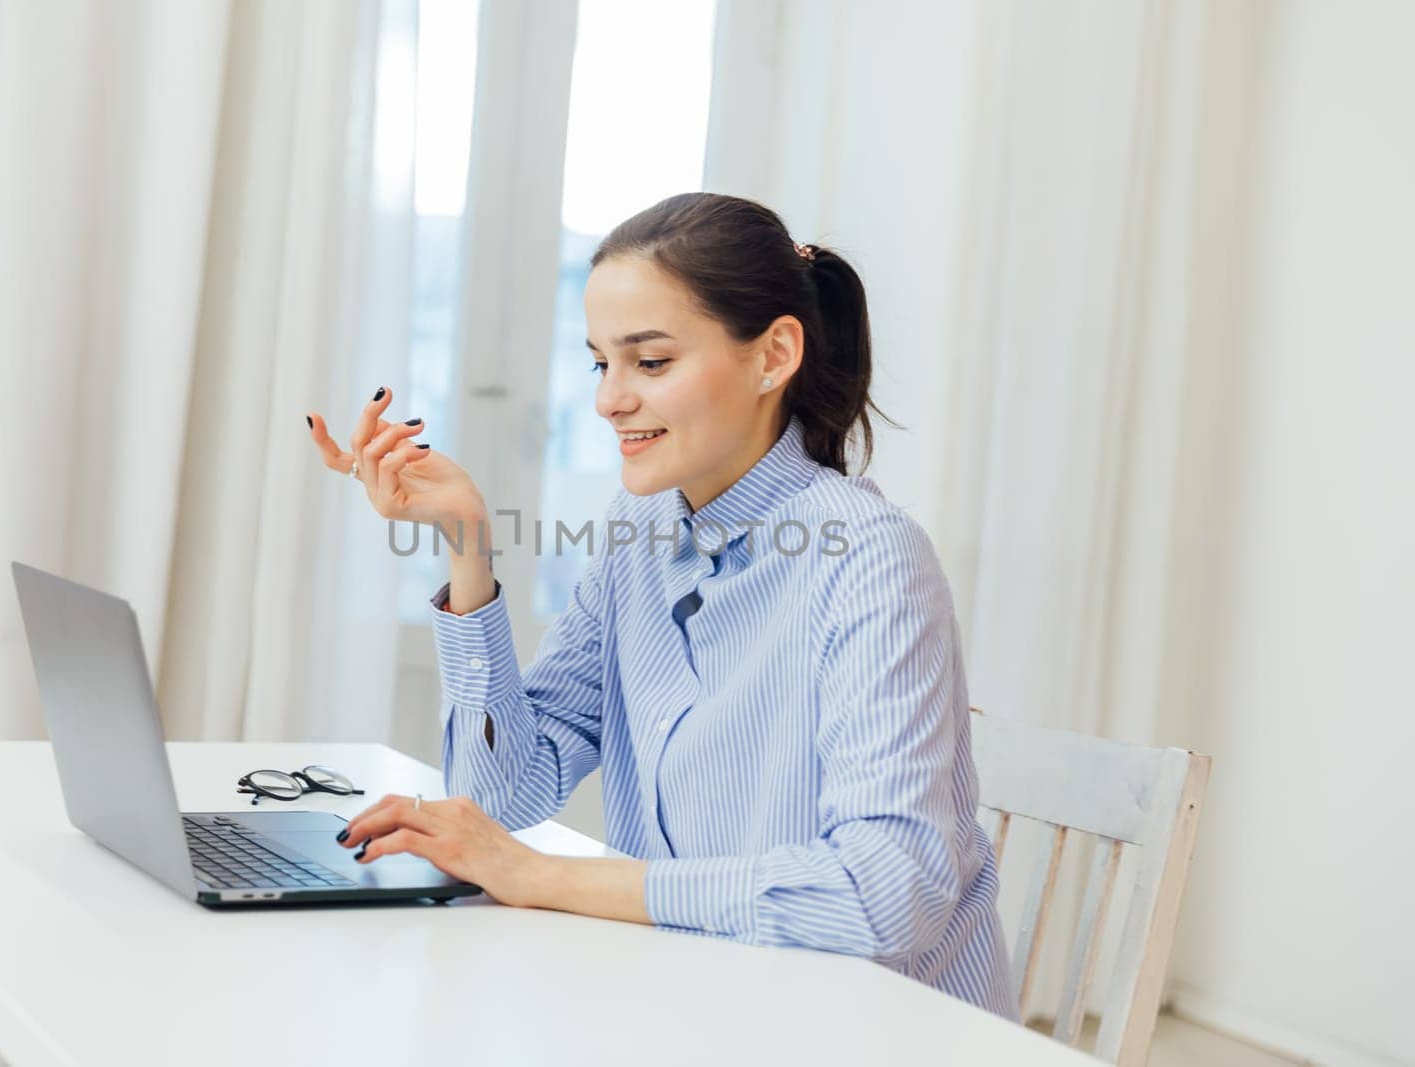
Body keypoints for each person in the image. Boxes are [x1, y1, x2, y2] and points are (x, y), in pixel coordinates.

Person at [305, 192, 1016, 1018]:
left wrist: (546, 875)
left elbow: (887, 893)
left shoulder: (868, 557)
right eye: (600, 363)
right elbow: (503, 795)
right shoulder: (640, 531)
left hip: (870, 1029)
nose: (608, 400)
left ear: (773, 355)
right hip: (694, 1002)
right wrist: (468, 546)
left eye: (650, 362)